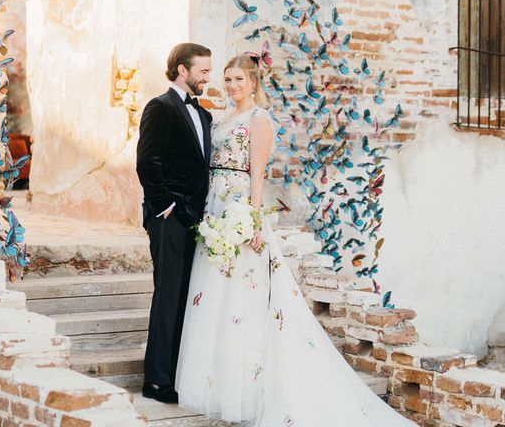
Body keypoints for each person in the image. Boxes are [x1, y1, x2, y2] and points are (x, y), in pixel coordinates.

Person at [175, 54, 415, 426]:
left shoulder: (258, 121)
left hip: (239, 210)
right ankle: (216, 380)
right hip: (214, 209)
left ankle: (247, 387)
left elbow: (257, 176)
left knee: (241, 297)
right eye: (227, 79)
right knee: (214, 293)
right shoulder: (221, 119)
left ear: (253, 82)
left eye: (239, 79)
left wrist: (252, 222)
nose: (232, 85)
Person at [136, 43, 213, 404]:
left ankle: (179, 372)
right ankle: (156, 381)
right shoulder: (160, 107)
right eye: (203, 71)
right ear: (182, 70)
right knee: (167, 295)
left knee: (187, 296)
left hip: (196, 218)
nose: (207, 77)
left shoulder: (205, 115)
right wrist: (165, 205)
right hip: (168, 218)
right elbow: (147, 162)